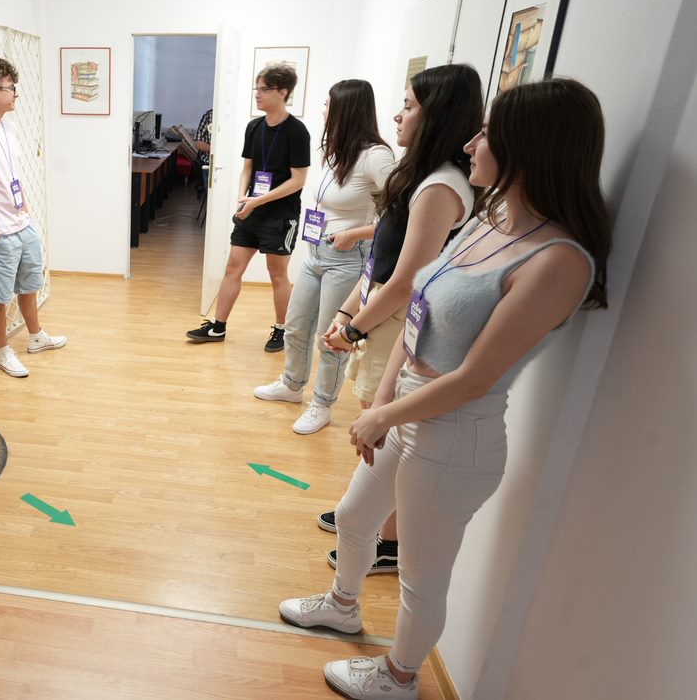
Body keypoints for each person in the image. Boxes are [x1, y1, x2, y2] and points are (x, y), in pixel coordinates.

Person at [279, 78, 611, 700]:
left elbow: (476, 377)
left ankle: (400, 677)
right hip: (407, 404)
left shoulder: (559, 261)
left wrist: (386, 414)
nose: (470, 143)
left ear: (530, 147)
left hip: (456, 433)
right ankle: (343, 606)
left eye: (486, 135)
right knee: (354, 517)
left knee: (420, 573)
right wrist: (382, 402)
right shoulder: (490, 219)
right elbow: (418, 314)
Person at [316, 64, 483, 574]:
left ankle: (386, 538)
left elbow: (408, 280)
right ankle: (365, 511)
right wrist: (348, 311)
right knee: (374, 419)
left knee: (385, 426)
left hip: (398, 322)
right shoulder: (420, 177)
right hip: (381, 314)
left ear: (437, 116)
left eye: (409, 106)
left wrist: (355, 327)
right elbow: (381, 262)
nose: (398, 115)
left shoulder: (441, 186)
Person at [253, 80, 394, 435]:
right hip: (317, 251)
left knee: (329, 337)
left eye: (328, 104)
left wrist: (354, 234)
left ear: (347, 109)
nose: (324, 110)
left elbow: (400, 215)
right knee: (296, 324)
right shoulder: (336, 148)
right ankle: (292, 384)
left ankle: (322, 403)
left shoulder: (376, 156)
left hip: (347, 257)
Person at [186, 64, 311, 352]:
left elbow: (298, 180)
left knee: (277, 274)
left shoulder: (297, 131)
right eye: (257, 88)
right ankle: (218, 326)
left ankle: (282, 330)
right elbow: (248, 168)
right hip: (251, 210)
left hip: (281, 215)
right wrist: (243, 196)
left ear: (282, 92)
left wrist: (258, 201)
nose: (258, 94)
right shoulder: (254, 127)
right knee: (233, 267)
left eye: (264, 89)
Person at [0, 56, 67, 378]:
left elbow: (11, 176)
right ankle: (3, 351)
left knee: (30, 284)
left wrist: (26, 214)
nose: (16, 93)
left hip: (21, 223)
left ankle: (36, 337)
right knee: (0, 296)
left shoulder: (7, 126)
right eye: (11, 87)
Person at [194, 107, 212, 191]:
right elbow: (198, 143)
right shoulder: (209, 116)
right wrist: (217, 150)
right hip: (209, 165)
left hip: (229, 165)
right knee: (210, 194)